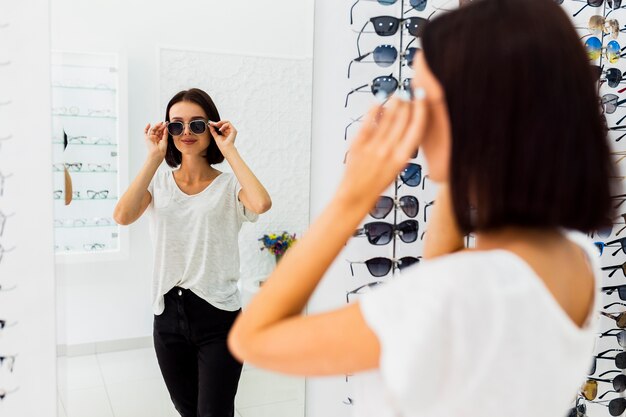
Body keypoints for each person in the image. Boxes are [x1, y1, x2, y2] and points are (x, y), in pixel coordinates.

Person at [227, 1, 616, 416]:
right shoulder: (575, 260)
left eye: (424, 98)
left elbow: (253, 338)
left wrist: (352, 198)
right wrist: (459, 162)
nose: (414, 119)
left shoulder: (449, 297)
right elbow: (445, 265)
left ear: (480, 117)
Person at [113, 88, 271, 417]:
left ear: (212, 129)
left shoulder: (229, 187)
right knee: (187, 410)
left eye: (197, 125)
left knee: (213, 412)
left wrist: (230, 150)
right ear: (167, 131)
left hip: (219, 316)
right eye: (176, 125)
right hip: (168, 316)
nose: (186, 132)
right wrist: (154, 158)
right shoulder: (158, 185)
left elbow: (260, 203)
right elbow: (122, 216)